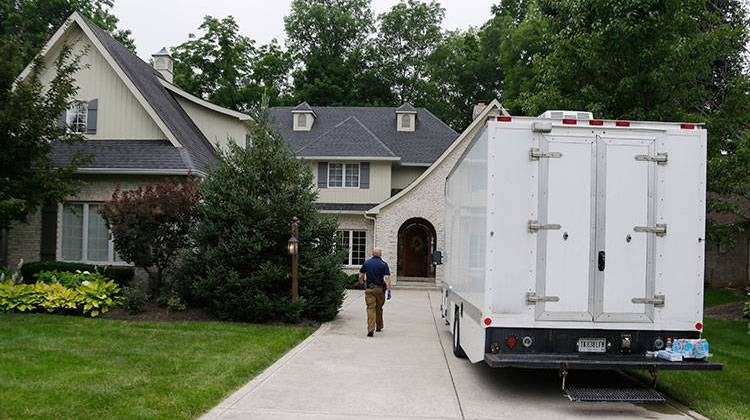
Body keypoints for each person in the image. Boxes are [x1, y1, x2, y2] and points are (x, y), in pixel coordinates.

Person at [359, 247, 392, 337]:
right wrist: (389, 290)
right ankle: (379, 326)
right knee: (379, 307)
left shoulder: (367, 263)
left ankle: (370, 329)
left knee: (370, 308)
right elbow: (387, 278)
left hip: (369, 289)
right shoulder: (383, 264)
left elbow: (361, 275)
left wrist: (362, 284)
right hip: (380, 289)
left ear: (373, 254)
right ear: (380, 254)